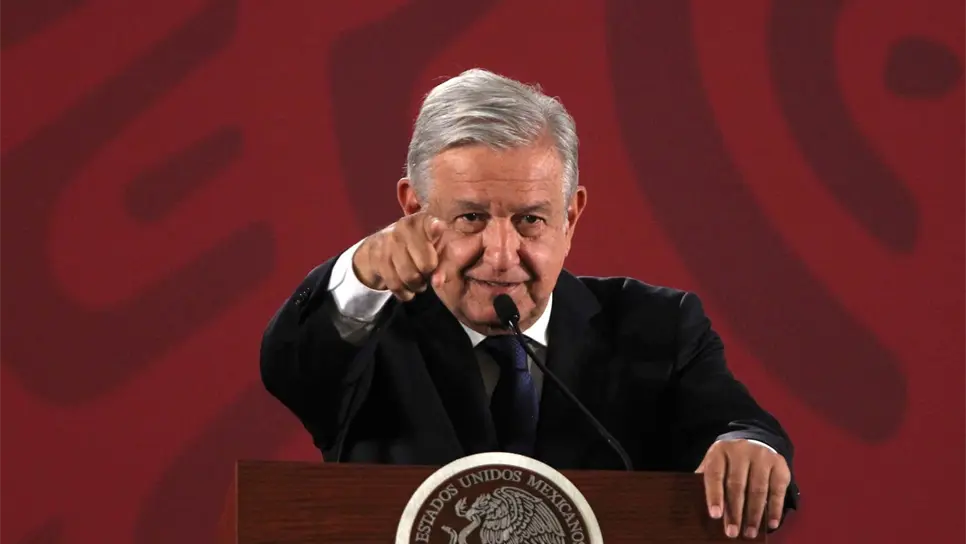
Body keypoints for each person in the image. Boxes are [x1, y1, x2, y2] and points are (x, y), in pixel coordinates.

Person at [260, 68, 799, 539]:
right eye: (471, 217)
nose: (501, 256)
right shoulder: (367, 332)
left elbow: (737, 425)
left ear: (572, 217)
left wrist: (747, 447)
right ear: (414, 209)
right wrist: (361, 271)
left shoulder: (658, 327)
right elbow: (291, 365)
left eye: (530, 220)